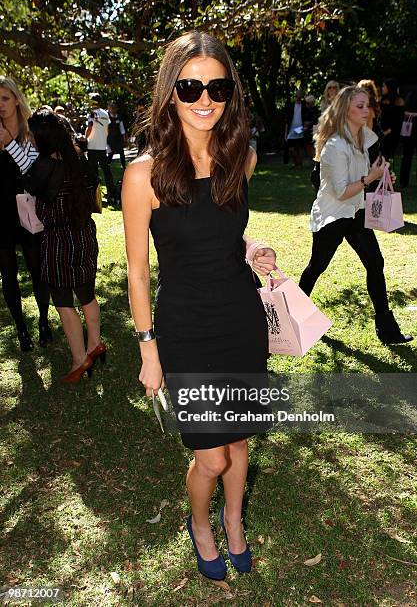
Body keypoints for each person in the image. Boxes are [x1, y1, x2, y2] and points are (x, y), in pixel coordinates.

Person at [122, 31, 276, 580]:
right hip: (185, 326)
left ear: (230, 91)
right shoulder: (144, 175)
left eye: (217, 86)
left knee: (237, 440)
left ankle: (233, 519)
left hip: (239, 318)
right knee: (211, 455)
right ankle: (201, 522)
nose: (205, 98)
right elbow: (138, 273)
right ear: (171, 93)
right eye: (190, 86)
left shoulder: (244, 159)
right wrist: (148, 349)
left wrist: (254, 249)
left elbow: (226, 236)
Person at [299, 86, 412, 345]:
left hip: (356, 212)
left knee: (375, 263)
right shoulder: (334, 146)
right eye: (359, 106)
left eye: (367, 105)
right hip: (332, 215)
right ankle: (292, 319)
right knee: (317, 267)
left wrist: (382, 175)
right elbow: (341, 192)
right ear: (345, 110)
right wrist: (368, 178)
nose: (366, 110)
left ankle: (388, 331)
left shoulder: (364, 137)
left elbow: (368, 174)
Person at [8, 111, 106, 383]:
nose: (30, 139)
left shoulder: (43, 166)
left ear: (42, 139)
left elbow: (28, 183)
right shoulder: (80, 159)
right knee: (87, 294)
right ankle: (95, 344)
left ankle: (79, 360)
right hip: (85, 236)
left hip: (58, 241)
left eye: (32, 135)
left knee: (64, 303)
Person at [0, 76, 51, 351]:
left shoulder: (29, 132)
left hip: (27, 209)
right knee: (7, 275)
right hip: (1, 214)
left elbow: (31, 173)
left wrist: (9, 143)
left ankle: (44, 321)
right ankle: (21, 330)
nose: (0, 105)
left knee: (37, 270)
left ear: (17, 99)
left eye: (5, 98)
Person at [86, 93, 116, 204]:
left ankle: (95, 197)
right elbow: (107, 130)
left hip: (92, 147)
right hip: (102, 147)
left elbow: (89, 128)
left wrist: (85, 138)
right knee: (107, 172)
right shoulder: (105, 114)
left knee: (93, 173)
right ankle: (111, 195)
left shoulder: (91, 114)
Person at [380, 78, 405, 161]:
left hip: (392, 133)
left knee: (386, 156)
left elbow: (399, 120)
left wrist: (388, 131)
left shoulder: (399, 101)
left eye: (384, 86)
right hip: (381, 131)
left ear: (389, 87)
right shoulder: (382, 100)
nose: (382, 88)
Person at [399, 87, 417, 188]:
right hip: (411, 129)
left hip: (409, 130)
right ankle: (403, 181)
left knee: (406, 156)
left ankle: (403, 181)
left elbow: (404, 111)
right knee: (407, 156)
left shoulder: (410, 93)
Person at [285, 89, 307, 167]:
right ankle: (296, 162)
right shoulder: (291, 106)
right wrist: (286, 132)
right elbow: (287, 120)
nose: (298, 97)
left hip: (300, 128)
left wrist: (305, 127)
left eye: (299, 96)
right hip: (291, 130)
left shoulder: (304, 106)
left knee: (300, 147)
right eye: (297, 95)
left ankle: (299, 164)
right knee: (291, 148)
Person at [107, 103, 126, 169]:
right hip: (110, 138)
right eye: (111, 109)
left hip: (118, 138)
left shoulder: (119, 117)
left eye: (114, 108)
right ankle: (107, 165)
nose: (113, 110)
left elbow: (122, 128)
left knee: (121, 152)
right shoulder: (107, 117)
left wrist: (124, 137)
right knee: (111, 153)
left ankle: (124, 166)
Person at [304, 95, 320, 159]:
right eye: (306, 103)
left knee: (314, 145)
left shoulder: (316, 110)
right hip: (306, 130)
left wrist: (309, 123)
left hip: (314, 129)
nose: (307, 104)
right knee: (308, 146)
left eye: (308, 103)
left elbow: (317, 121)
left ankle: (315, 161)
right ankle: (313, 159)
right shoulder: (305, 110)